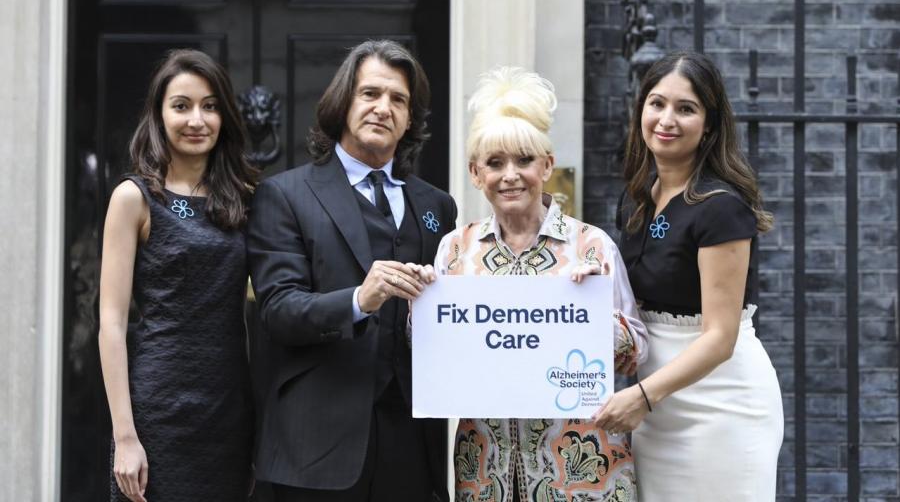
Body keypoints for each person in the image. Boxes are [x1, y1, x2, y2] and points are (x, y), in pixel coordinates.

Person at [246, 40, 456, 502]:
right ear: (344, 102)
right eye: (370, 94)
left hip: (413, 443)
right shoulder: (285, 196)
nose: (384, 108)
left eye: (398, 100)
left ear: (410, 118)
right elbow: (278, 310)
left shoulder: (436, 205)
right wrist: (360, 300)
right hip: (316, 446)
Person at [430, 67, 647, 501]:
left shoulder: (592, 246)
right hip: (486, 470)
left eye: (524, 161)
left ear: (546, 165)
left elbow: (636, 351)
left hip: (581, 471)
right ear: (475, 173)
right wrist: (422, 304)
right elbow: (432, 353)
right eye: (495, 163)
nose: (510, 175)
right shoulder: (454, 250)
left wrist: (589, 310)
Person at [593, 51, 784, 500]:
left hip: (722, 406)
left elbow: (721, 337)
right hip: (659, 408)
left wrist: (641, 396)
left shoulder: (721, 206)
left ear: (710, 124)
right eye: (657, 103)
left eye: (686, 108)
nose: (667, 119)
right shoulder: (638, 198)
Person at [98, 49, 257, 502]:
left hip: (229, 409)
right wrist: (125, 436)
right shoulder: (134, 198)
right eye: (182, 105)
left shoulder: (246, 200)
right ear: (159, 114)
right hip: (157, 409)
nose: (197, 119)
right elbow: (111, 323)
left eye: (210, 106)